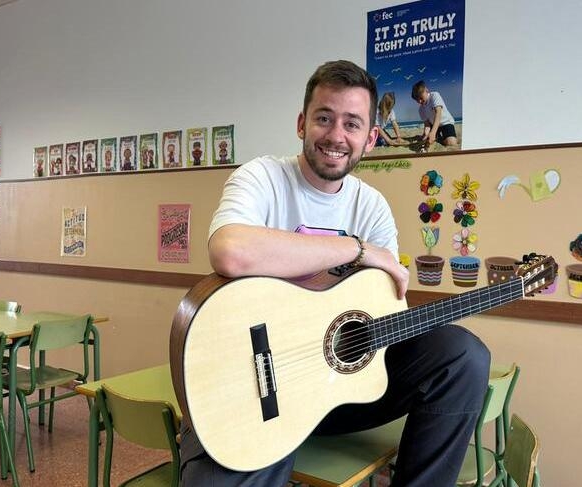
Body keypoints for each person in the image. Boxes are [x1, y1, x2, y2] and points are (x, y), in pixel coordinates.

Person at [180, 60, 490, 487]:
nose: (336, 136)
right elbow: (230, 251)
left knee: (464, 355)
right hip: (252, 388)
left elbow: (381, 308)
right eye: (324, 118)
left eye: (352, 124)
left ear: (371, 138)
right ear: (301, 123)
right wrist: (356, 249)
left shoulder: (373, 206)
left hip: (339, 387)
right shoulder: (262, 177)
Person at [411, 80, 458, 149]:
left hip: (446, 123)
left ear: (426, 90)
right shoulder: (420, 109)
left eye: (421, 98)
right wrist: (426, 134)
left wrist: (433, 133)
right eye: (417, 100)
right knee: (426, 140)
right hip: (433, 126)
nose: (420, 101)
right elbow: (427, 124)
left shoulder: (434, 95)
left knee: (451, 143)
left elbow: (438, 113)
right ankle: (438, 137)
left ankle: (442, 137)